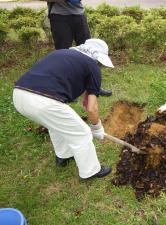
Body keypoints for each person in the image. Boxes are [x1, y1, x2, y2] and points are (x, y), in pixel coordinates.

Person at [13, 39, 113, 180]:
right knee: (82, 134)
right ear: (98, 58)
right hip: (43, 101)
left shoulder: (62, 53)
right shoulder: (92, 66)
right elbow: (92, 108)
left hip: (19, 95)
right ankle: (91, 171)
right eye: (101, 64)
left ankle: (63, 156)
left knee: (55, 125)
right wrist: (97, 128)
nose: (100, 67)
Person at [45, 0, 112, 96]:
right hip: (59, 16)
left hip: (79, 14)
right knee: (63, 55)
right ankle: (65, 89)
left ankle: (93, 87)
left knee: (90, 52)